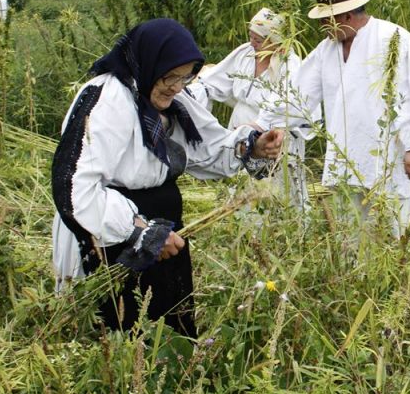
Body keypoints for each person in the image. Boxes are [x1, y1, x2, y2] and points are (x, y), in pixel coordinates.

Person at [51, 18, 283, 338]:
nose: (177, 86)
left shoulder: (172, 100)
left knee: (166, 335)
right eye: (171, 76)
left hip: (161, 232)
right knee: (117, 335)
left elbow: (208, 147)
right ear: (149, 63)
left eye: (185, 77)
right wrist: (140, 232)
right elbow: (73, 188)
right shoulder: (106, 100)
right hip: (107, 236)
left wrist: (253, 146)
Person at [256, 0, 410, 254]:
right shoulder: (326, 51)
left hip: (392, 156)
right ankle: (361, 285)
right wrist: (261, 124)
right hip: (347, 157)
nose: (324, 27)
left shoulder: (393, 39)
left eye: (327, 21)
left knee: (408, 225)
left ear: (346, 15)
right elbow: (297, 95)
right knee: (353, 233)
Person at [188, 8, 319, 211]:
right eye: (251, 37)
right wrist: (189, 99)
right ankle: (246, 236)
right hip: (240, 132)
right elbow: (214, 81)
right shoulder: (245, 54)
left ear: (274, 41)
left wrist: (262, 126)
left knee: (277, 197)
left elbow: (296, 105)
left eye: (258, 40)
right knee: (241, 192)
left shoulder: (290, 65)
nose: (252, 43)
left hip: (274, 139)